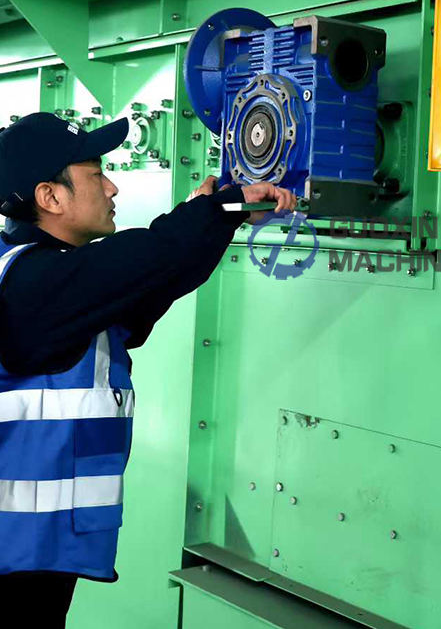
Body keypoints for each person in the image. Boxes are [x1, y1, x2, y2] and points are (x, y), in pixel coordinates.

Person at [0, 112, 296, 627]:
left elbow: (149, 282)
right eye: (96, 174)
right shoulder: (35, 285)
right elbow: (146, 260)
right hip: (14, 558)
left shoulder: (46, 277)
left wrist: (221, 214)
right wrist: (214, 211)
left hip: (32, 550)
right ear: (50, 197)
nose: (112, 187)